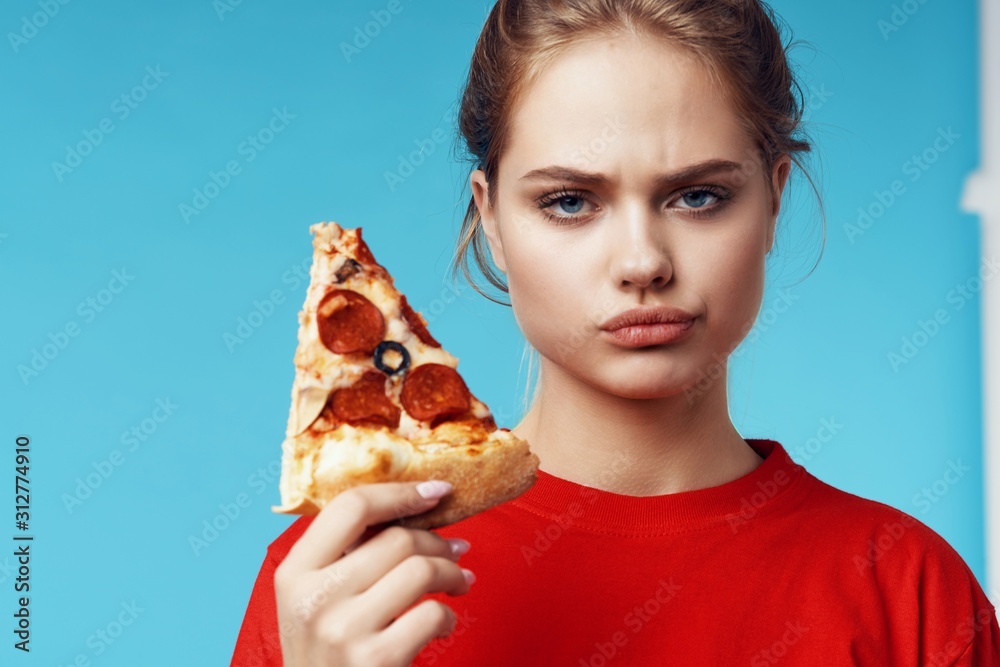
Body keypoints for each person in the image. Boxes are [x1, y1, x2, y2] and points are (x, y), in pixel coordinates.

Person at [230, 1, 1000, 665]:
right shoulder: (336, 582)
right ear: (491, 218)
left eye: (698, 196)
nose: (642, 262)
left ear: (773, 200)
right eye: (569, 201)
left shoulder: (909, 590)